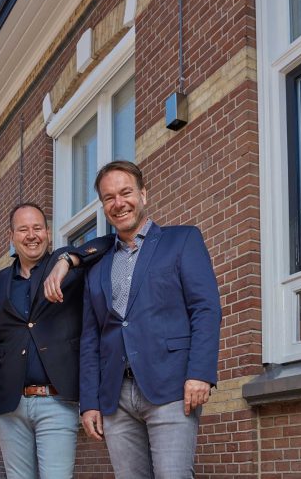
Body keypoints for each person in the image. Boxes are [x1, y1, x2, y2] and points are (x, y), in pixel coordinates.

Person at [79, 160, 223, 478]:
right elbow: (90, 338)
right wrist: (89, 401)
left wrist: (200, 372)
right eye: (109, 197)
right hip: (115, 395)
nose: (119, 203)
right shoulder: (97, 266)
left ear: (143, 193)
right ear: (103, 206)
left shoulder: (182, 240)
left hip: (171, 384)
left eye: (126, 192)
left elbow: (206, 308)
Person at [0, 202, 112, 479]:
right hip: (9, 405)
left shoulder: (68, 269)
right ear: (11, 236)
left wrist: (67, 260)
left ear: (47, 232)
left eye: (37, 227)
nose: (31, 235)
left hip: (57, 401)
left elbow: (109, 241)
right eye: (23, 229)